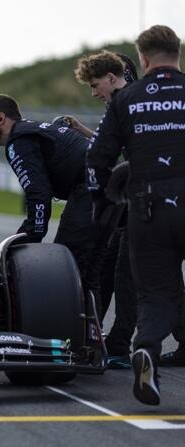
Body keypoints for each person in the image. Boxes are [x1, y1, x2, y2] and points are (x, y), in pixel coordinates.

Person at [87, 25, 185, 405]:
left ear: (142, 59)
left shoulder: (127, 98)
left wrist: (101, 204)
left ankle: (145, 349)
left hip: (148, 209)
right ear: (176, 52)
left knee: (154, 293)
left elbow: (96, 161)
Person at [0, 94, 100, 300]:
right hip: (109, 186)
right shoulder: (32, 129)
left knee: (65, 267)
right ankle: (93, 331)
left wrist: (30, 234)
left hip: (91, 187)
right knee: (92, 274)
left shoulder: (18, 141)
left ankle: (69, 330)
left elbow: (39, 194)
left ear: (0, 119)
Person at [72, 50, 140, 369]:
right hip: (137, 202)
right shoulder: (126, 103)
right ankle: (98, 334)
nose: (93, 92)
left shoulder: (128, 104)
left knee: (128, 275)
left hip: (151, 203)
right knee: (113, 264)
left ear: (115, 76)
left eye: (95, 84)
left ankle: (118, 345)